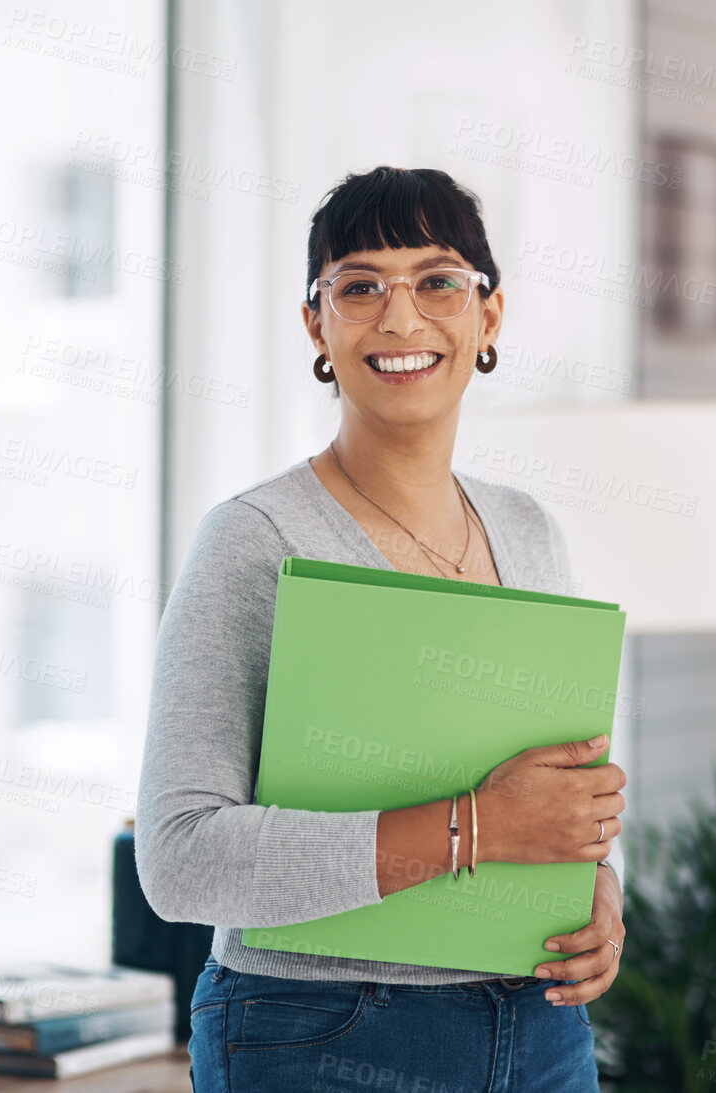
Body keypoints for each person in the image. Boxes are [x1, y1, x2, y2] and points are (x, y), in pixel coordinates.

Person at [135, 166, 627, 1093]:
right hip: (319, 1031)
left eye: (438, 280)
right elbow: (181, 858)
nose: (401, 319)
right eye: (359, 287)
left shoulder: (528, 530)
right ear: (317, 324)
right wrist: (474, 826)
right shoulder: (256, 540)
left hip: (539, 1027)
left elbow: (569, 796)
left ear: (490, 315)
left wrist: (600, 899)